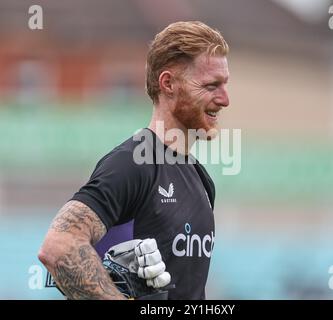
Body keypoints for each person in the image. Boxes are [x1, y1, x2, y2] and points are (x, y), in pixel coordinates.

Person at [38, 20, 230, 300]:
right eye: (211, 85)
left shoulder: (201, 179)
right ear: (168, 84)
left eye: (225, 85)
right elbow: (58, 246)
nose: (225, 99)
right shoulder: (133, 163)